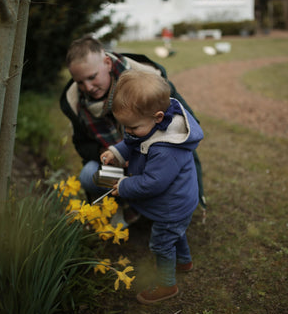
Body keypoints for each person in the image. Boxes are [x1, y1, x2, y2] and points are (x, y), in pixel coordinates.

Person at [60, 35, 206, 225]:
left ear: (106, 62)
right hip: (118, 164)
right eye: (79, 82)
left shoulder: (145, 82)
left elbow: (185, 124)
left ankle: (157, 208)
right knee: (89, 175)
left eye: (92, 77)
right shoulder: (76, 103)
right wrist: (103, 152)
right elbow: (81, 144)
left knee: (160, 178)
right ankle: (121, 204)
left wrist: (150, 150)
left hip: (151, 163)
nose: (87, 87)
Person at [100, 70, 203, 304]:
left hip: (173, 204)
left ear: (158, 117)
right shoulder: (149, 125)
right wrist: (115, 152)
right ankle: (183, 261)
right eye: (125, 126)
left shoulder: (166, 148)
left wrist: (124, 186)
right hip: (177, 203)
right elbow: (133, 142)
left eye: (132, 127)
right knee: (175, 232)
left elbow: (153, 183)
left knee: (161, 243)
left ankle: (167, 285)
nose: (128, 132)